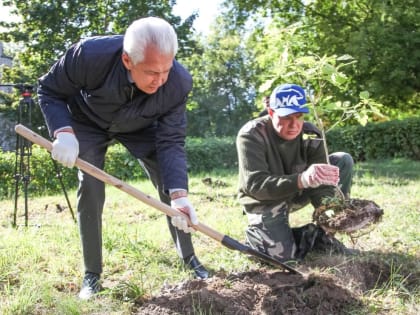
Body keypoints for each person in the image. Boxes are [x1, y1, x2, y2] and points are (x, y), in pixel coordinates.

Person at [37, 16, 209, 300]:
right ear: (128, 60)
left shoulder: (177, 83)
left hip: (141, 125)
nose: (161, 80)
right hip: (88, 121)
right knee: (90, 186)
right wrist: (63, 131)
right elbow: (49, 90)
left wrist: (179, 193)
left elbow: (171, 140)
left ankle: (189, 257)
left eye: (166, 70)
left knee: (168, 182)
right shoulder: (89, 55)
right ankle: (92, 273)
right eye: (152, 72)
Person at [236, 83, 355, 262]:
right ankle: (260, 236)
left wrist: (329, 213)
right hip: (264, 199)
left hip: (298, 192)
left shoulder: (311, 134)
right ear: (271, 113)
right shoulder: (251, 135)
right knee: (281, 259)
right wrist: (302, 180)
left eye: (298, 117)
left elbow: (321, 186)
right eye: (286, 117)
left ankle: (323, 235)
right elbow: (255, 185)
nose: (294, 125)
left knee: (342, 160)